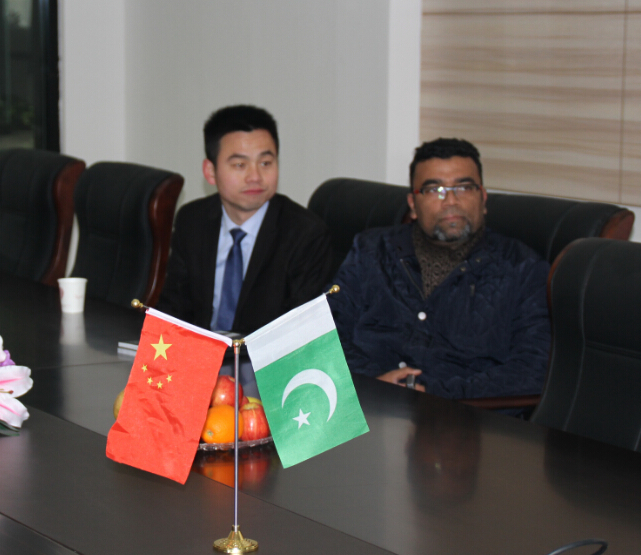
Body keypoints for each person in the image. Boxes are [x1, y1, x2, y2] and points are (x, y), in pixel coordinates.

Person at [330, 137, 550, 400]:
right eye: (435, 190)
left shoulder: (524, 269)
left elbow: (532, 370)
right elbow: (325, 331)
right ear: (413, 204)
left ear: (483, 198)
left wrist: (432, 393)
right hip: (368, 402)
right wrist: (374, 382)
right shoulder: (371, 250)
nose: (451, 201)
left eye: (464, 187)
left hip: (462, 416)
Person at [156, 104, 331, 334]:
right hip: (199, 353)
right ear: (210, 171)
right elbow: (173, 310)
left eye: (265, 163)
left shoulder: (304, 234)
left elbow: (302, 334)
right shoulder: (193, 221)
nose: (255, 177)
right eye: (240, 165)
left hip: (265, 355)